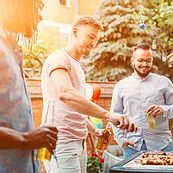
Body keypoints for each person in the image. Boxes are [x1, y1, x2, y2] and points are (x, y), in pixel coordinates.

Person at [41, 15, 137, 173]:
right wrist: (108, 115)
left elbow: (74, 109)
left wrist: (94, 130)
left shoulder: (77, 66)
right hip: (59, 142)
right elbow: (65, 94)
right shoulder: (59, 58)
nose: (93, 43)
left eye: (96, 40)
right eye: (90, 36)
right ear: (74, 32)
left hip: (77, 142)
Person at [0, 0, 58, 172]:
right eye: (37, 8)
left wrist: (32, 134)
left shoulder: (10, 49)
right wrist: (24, 138)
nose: (40, 17)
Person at [111, 42, 173, 159]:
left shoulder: (164, 83)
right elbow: (114, 116)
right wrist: (121, 140)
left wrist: (163, 110)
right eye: (140, 60)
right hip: (132, 146)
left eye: (148, 60)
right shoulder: (121, 86)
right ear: (132, 60)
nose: (144, 64)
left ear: (152, 61)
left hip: (162, 146)